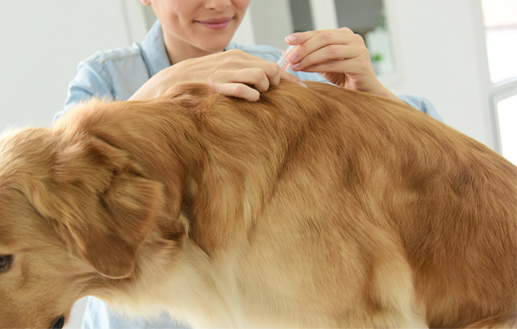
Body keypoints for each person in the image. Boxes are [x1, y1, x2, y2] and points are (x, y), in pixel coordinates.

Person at [58, 1, 442, 328]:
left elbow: (437, 164)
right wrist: (157, 93)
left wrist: (371, 96)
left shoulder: (280, 72)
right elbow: (60, 194)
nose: (221, 4)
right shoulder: (105, 80)